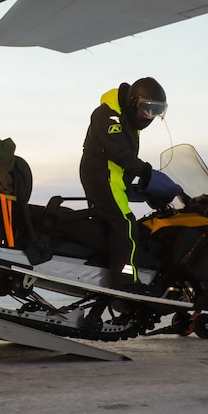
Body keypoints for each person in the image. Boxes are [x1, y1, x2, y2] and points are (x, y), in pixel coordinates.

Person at [78, 77, 171, 291]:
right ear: (133, 102)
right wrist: (147, 173)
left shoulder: (127, 117)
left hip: (114, 177)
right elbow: (120, 153)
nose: (149, 116)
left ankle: (103, 268)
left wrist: (142, 188)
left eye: (156, 111)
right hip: (103, 175)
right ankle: (126, 282)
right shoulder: (109, 115)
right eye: (147, 109)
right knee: (125, 223)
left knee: (109, 223)